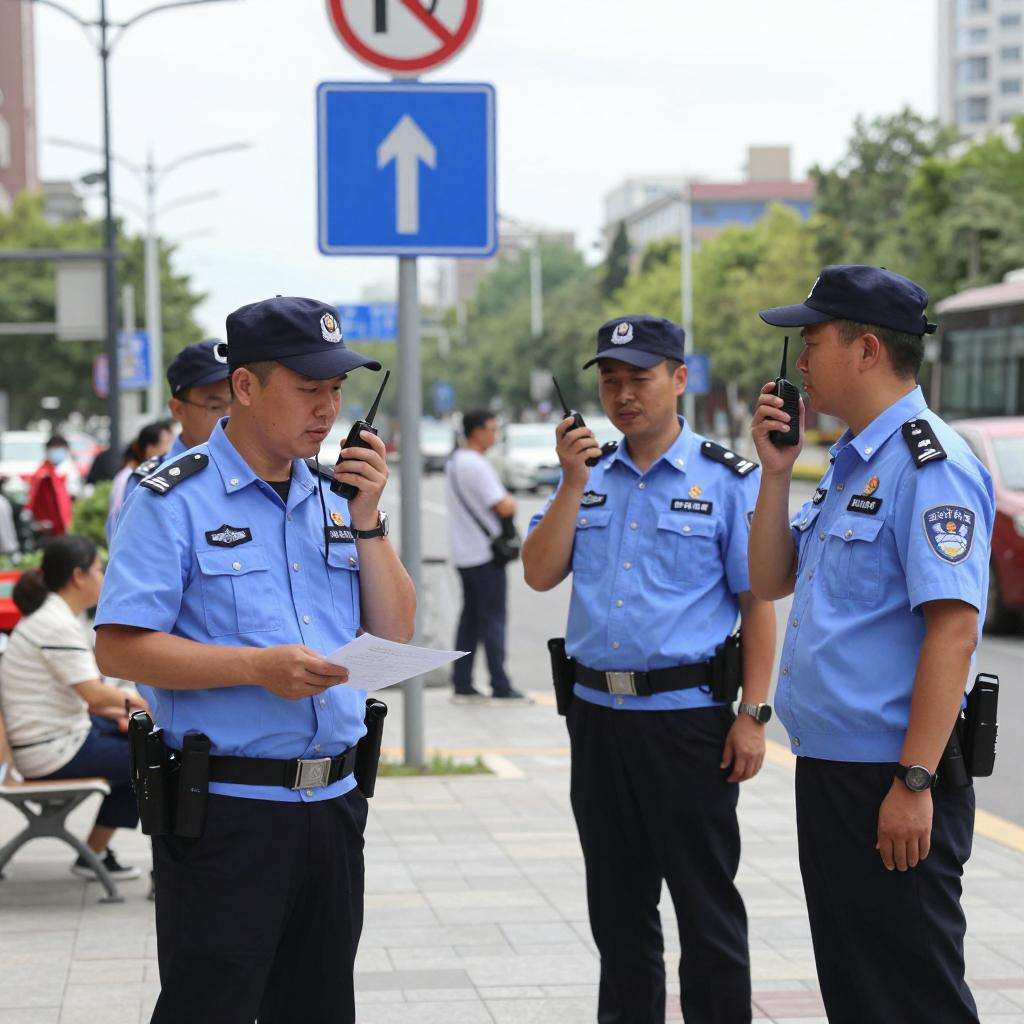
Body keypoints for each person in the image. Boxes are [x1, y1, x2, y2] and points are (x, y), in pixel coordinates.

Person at [93, 295, 416, 1024]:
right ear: (245, 387)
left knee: (320, 1007)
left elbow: (392, 635)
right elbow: (117, 643)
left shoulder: (336, 497)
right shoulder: (171, 499)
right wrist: (254, 668)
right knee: (212, 1007)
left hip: (332, 808)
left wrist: (368, 521)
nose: (328, 409)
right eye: (309, 389)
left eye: (336, 391)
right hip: (228, 816)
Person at [748, 265, 994, 1024]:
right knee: (859, 993)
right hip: (832, 771)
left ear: (864, 351)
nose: (801, 364)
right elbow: (769, 578)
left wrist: (915, 783)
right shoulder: (855, 460)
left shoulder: (932, 465)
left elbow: (953, 630)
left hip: (891, 778)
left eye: (812, 341)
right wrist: (776, 473)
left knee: (913, 995)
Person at [522, 315, 777, 1024]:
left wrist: (753, 717)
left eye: (639, 378)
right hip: (599, 722)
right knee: (618, 913)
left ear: (679, 378)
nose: (623, 394)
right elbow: (540, 573)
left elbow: (757, 605)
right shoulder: (589, 475)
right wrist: (572, 482)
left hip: (687, 726)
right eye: (610, 380)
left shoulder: (726, 481)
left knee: (707, 912)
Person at [0, 535, 149, 880]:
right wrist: (146, 706)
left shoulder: (55, 616)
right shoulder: (57, 623)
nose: (104, 577)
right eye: (99, 569)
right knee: (151, 759)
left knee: (140, 747)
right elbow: (95, 696)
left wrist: (125, 711)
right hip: (50, 751)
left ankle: (93, 854)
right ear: (78, 576)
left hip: (56, 737)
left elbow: (94, 697)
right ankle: (143, 861)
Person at [109, 339, 233, 539]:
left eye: (237, 402)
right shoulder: (151, 483)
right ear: (178, 410)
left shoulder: (267, 471)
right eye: (215, 406)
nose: (230, 416)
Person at [445, 409, 527, 702]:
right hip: (484, 555)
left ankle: (462, 680)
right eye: (492, 429)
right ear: (476, 431)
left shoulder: (455, 462)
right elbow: (504, 506)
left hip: (465, 553)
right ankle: (500, 683)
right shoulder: (476, 464)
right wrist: (511, 503)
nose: (495, 435)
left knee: (470, 621)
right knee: (493, 620)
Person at [106, 421, 173, 521]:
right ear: (150, 449)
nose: (172, 452)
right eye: (168, 444)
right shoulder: (131, 478)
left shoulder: (137, 475)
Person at [24, 435, 74, 538]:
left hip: (61, 528)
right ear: (47, 450)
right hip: (48, 528)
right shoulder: (43, 475)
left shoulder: (64, 472)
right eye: (55, 448)